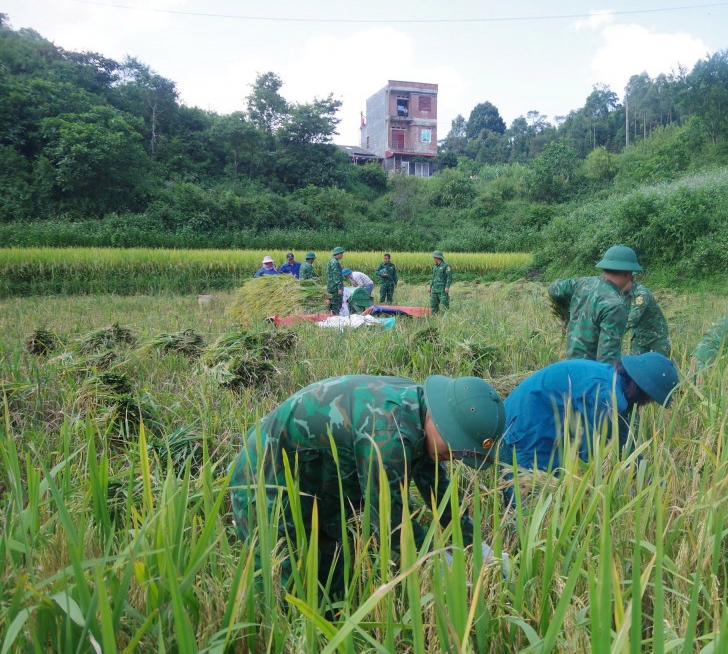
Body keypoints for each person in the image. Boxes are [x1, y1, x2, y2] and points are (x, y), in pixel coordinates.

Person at [229, 374, 505, 600]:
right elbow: (391, 525)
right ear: (440, 419)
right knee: (283, 576)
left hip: (321, 477)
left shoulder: (422, 410)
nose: (455, 456)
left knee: (333, 568)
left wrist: (475, 544)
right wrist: (438, 558)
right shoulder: (387, 435)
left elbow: (436, 487)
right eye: (454, 446)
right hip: (266, 474)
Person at [500, 353, 679, 479]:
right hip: (521, 429)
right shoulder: (606, 398)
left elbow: (622, 444)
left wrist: (645, 476)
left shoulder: (611, 378)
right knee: (528, 503)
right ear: (642, 393)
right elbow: (598, 452)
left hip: (526, 416)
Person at [548, 245, 640, 365]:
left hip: (571, 365)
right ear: (628, 274)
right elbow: (607, 359)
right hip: (591, 373)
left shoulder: (582, 284)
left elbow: (553, 288)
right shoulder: (615, 306)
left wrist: (568, 311)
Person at [625, 281, 670, 355]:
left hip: (655, 336)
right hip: (638, 336)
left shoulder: (641, 293)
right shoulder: (622, 293)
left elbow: (632, 318)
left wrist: (614, 333)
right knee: (636, 364)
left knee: (660, 364)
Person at [325, 247, 345, 314]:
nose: (342, 255)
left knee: (331, 303)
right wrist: (339, 288)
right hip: (335, 287)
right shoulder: (335, 262)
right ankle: (335, 318)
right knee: (336, 304)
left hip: (330, 286)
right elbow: (336, 276)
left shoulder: (330, 261)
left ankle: (330, 317)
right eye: (342, 253)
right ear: (338, 254)